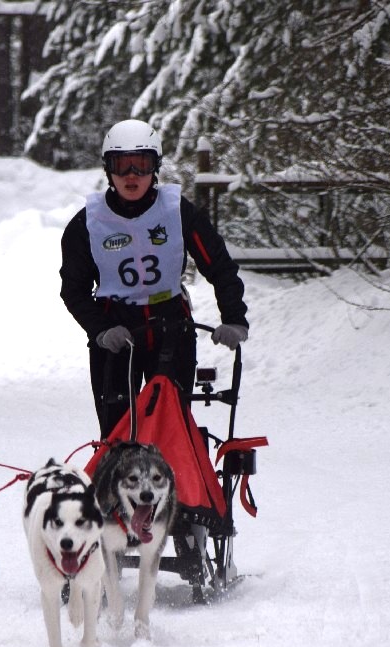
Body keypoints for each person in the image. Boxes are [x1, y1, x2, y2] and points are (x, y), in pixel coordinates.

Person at [60, 119, 250, 438]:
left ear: (155, 167)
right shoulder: (87, 225)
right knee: (119, 432)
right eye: (122, 165)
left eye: (142, 164)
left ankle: (177, 482)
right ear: (109, 169)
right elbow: (73, 290)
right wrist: (101, 330)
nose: (132, 175)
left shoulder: (177, 212)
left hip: (171, 324)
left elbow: (219, 266)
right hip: (117, 330)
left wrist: (234, 319)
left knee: (171, 426)